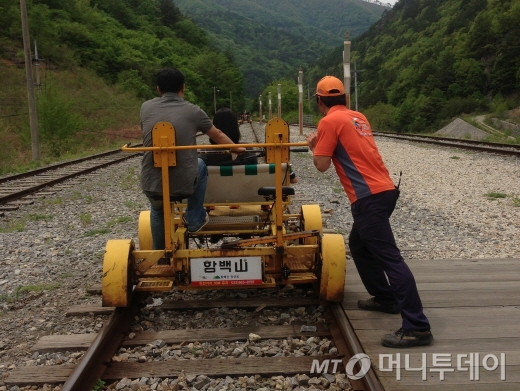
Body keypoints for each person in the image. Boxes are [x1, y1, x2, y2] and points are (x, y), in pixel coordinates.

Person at [305, 76, 432, 348]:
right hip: (386, 190)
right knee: (359, 244)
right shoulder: (358, 117)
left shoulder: (328, 122)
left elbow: (321, 165)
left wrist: (313, 146)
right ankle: (385, 298)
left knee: (390, 258)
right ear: (345, 99)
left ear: (319, 101)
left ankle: (417, 326)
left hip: (368, 199)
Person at [140, 67, 244, 249]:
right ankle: (194, 217)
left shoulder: (145, 107)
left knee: (158, 209)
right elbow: (218, 135)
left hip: (152, 182)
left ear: (158, 89)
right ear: (183, 87)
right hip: (184, 185)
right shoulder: (193, 111)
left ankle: (160, 254)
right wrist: (238, 148)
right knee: (200, 163)